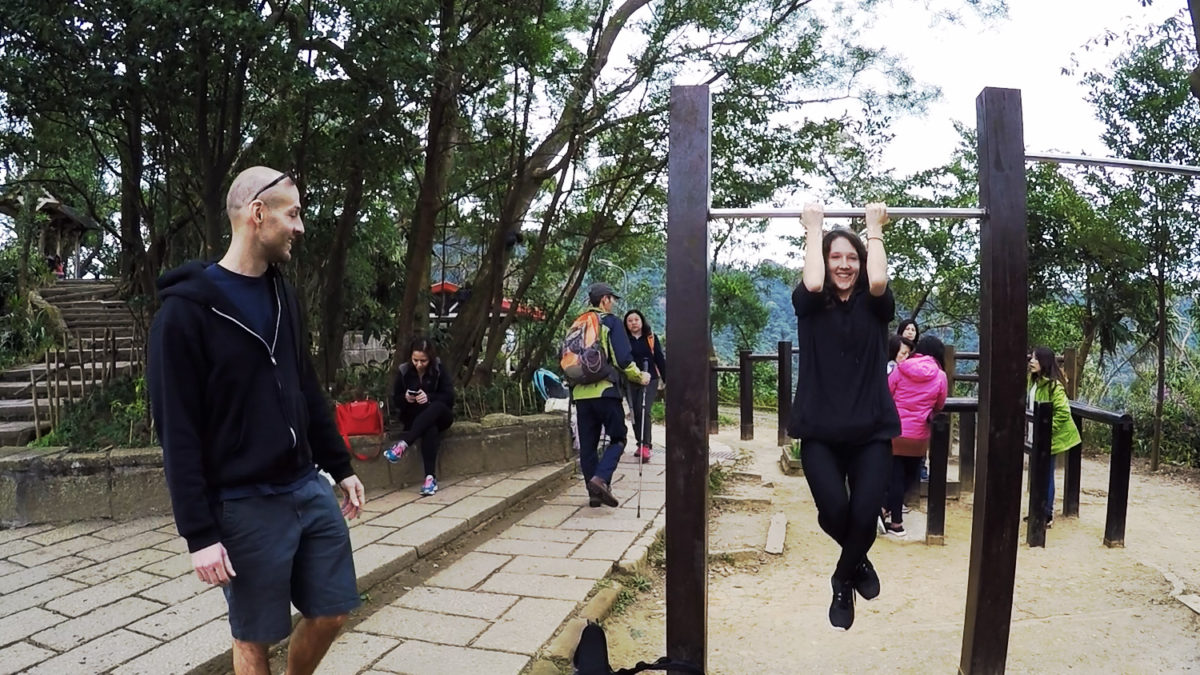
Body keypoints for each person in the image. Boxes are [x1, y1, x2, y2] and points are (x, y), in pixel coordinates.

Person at [148, 166, 365, 675]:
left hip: (307, 487)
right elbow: (177, 434)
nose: (300, 227)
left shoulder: (282, 294)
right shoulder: (182, 316)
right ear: (257, 214)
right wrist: (199, 534)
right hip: (243, 504)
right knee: (254, 638)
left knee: (333, 611)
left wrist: (341, 465)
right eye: (293, 214)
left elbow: (306, 387)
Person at [787, 202, 900, 631]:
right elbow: (814, 279)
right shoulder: (809, 303)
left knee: (866, 511)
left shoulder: (876, 306)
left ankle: (841, 578)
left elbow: (878, 278)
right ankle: (860, 562)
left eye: (851, 256)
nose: (844, 264)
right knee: (834, 511)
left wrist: (874, 228)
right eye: (836, 256)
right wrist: (813, 228)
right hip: (820, 431)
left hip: (871, 430)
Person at [572, 282, 649, 507]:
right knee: (618, 437)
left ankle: (594, 495)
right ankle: (601, 479)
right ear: (604, 299)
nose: (613, 303)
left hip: (581, 394)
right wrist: (639, 376)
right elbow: (623, 359)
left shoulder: (578, 324)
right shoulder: (610, 323)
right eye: (612, 299)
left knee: (588, 445)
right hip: (606, 391)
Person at [883, 335, 948, 537]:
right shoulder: (940, 376)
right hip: (919, 434)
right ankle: (892, 518)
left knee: (895, 476)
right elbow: (940, 404)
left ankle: (893, 520)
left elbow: (887, 391)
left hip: (896, 430)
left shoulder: (902, 368)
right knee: (909, 477)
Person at [384, 336, 456, 496]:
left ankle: (404, 444)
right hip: (416, 417)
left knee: (436, 407)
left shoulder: (438, 369)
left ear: (430, 358)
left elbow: (449, 397)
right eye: (415, 360)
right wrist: (406, 398)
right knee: (429, 428)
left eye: (423, 361)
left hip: (440, 414)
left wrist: (429, 397)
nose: (418, 364)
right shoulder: (404, 371)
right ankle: (430, 479)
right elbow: (396, 400)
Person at [1028, 346, 1082, 527]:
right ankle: (1037, 510)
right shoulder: (1034, 381)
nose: (1031, 361)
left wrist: (1045, 430)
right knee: (1037, 473)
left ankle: (1046, 514)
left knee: (1046, 474)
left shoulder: (1054, 386)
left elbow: (1063, 412)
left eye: (1035, 359)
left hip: (1049, 438)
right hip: (1036, 436)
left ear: (1044, 362)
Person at [624, 309, 666, 463]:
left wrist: (667, 379)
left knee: (644, 410)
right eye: (630, 320)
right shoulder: (624, 340)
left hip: (650, 379)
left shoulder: (651, 338)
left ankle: (646, 445)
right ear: (626, 324)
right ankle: (639, 443)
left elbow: (659, 358)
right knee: (634, 412)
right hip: (631, 380)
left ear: (642, 321)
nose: (633, 323)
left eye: (636, 319)